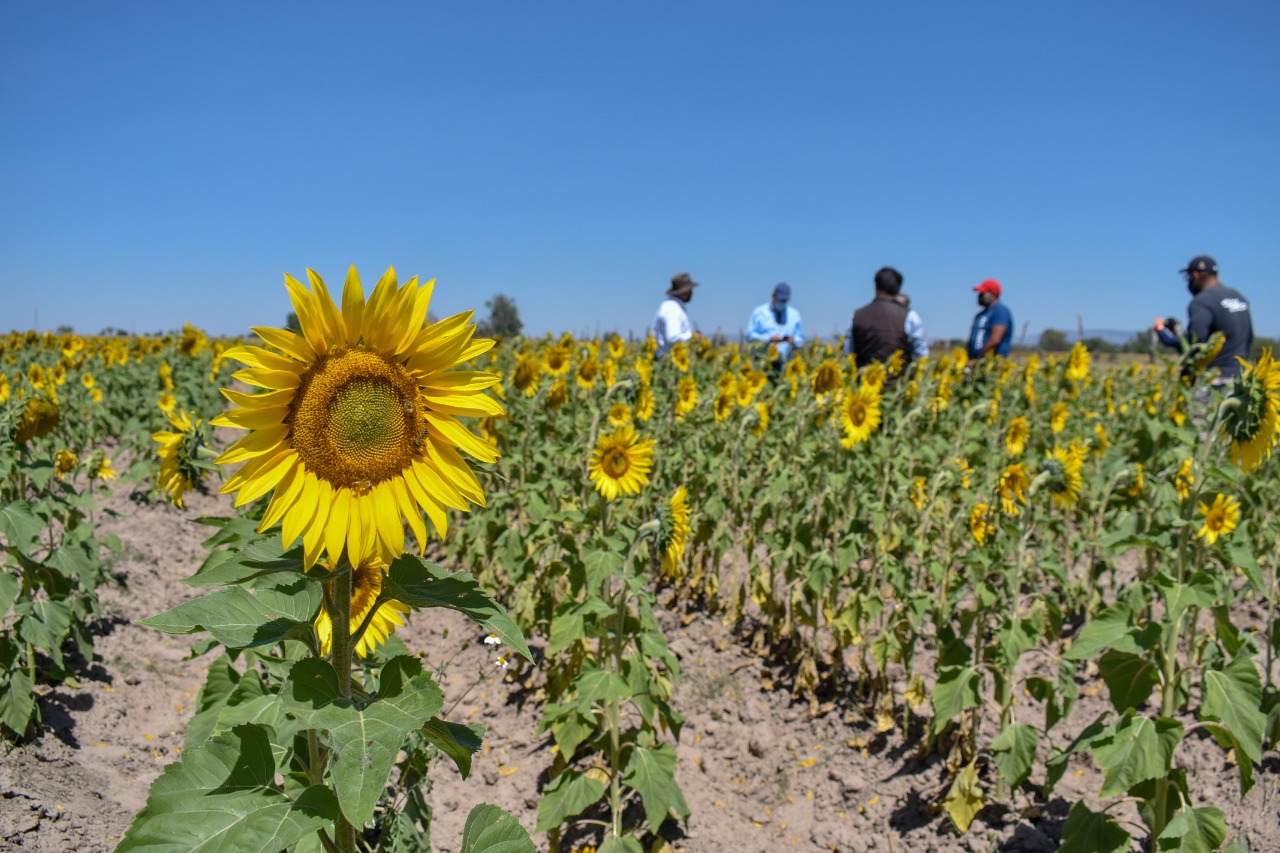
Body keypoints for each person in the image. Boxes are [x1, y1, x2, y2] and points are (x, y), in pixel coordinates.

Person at [1154, 255, 1253, 381]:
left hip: (1212, 380)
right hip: (1239, 379)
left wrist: (1162, 331)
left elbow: (1194, 343)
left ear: (1195, 275)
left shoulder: (1202, 301)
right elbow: (1249, 337)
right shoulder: (1240, 298)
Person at [845, 267, 926, 368]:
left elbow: (848, 353)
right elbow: (920, 355)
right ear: (899, 288)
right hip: (899, 382)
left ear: (875, 287)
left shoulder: (856, 316)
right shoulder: (910, 316)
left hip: (862, 382)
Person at [746, 282, 804, 370]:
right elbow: (750, 335)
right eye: (780, 300)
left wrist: (794, 340)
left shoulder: (794, 315)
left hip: (784, 365)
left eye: (784, 301)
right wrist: (769, 338)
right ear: (773, 296)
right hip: (763, 364)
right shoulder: (759, 312)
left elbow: (800, 338)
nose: (782, 303)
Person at [653, 272, 697, 357]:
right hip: (668, 360)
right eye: (690, 290)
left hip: (668, 358)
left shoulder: (669, 306)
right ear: (685, 293)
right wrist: (693, 337)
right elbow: (672, 337)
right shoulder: (672, 308)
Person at [968, 279, 1013, 361]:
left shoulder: (1000, 311)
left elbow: (995, 340)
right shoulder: (980, 315)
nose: (979, 296)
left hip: (992, 365)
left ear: (993, 294)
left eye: (982, 293)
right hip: (975, 365)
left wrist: (978, 360)